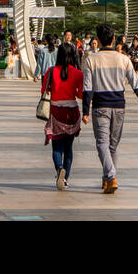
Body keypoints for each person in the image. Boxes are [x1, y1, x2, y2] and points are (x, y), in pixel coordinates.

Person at [83, 23, 138, 193]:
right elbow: (136, 86)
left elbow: (87, 88)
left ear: (98, 40)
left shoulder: (90, 60)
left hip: (100, 106)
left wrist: (85, 111)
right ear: (114, 39)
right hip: (119, 107)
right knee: (112, 146)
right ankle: (107, 178)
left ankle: (110, 176)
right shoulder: (124, 59)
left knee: (102, 143)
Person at [43, 42, 86, 190]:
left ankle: (59, 168)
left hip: (56, 111)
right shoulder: (78, 73)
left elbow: (44, 90)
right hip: (72, 112)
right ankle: (65, 178)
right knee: (68, 148)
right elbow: (80, 95)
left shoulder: (51, 71)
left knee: (56, 147)